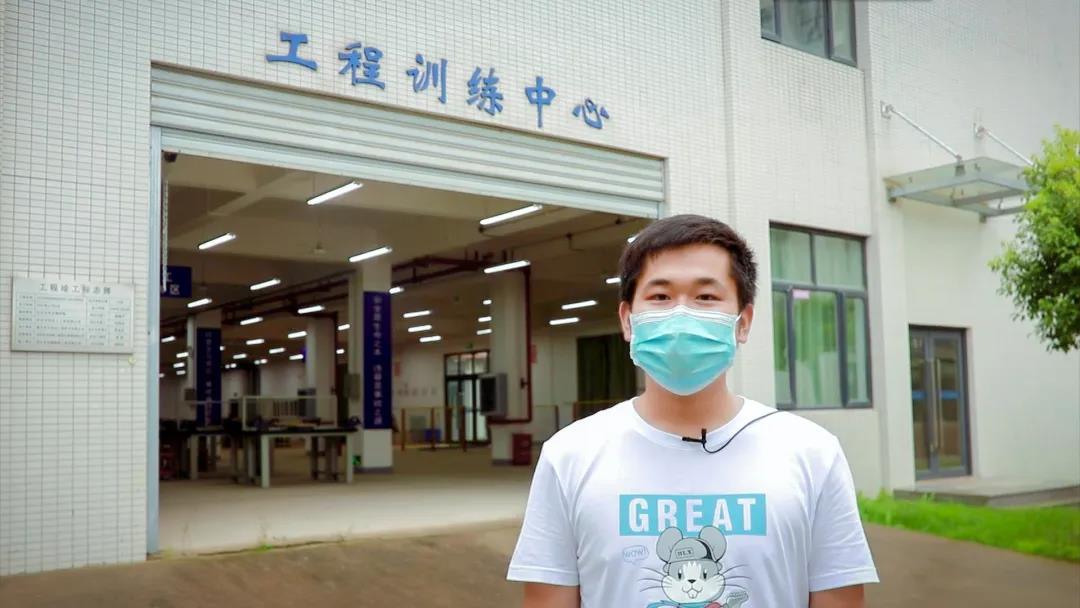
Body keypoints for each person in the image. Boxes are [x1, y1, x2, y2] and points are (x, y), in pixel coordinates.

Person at [507, 214, 878, 608]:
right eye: (660, 297)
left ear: (743, 322)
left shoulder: (812, 453)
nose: (680, 315)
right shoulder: (570, 455)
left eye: (706, 297)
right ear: (628, 320)